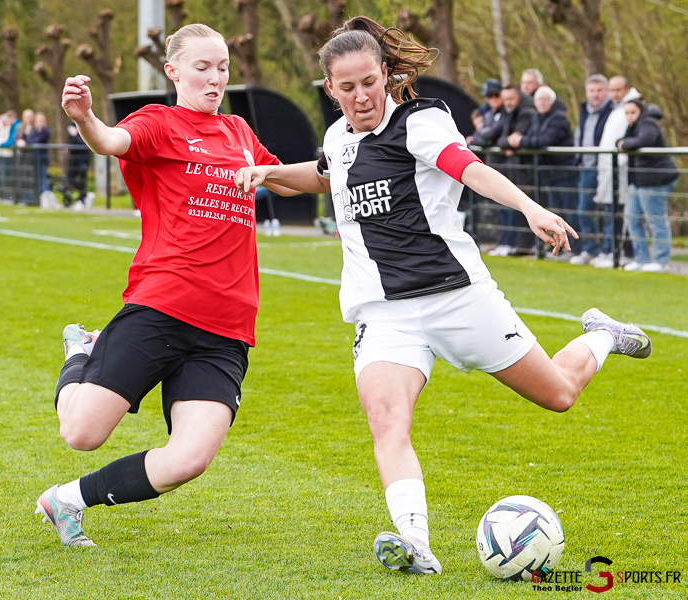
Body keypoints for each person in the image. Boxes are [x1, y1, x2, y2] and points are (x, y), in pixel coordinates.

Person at [234, 16, 653, 575]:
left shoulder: (421, 122)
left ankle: (602, 336)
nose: (360, 96)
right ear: (330, 90)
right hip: (385, 316)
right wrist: (266, 173)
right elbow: (324, 174)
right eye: (347, 87)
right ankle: (416, 544)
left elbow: (469, 168)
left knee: (558, 394)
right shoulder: (339, 137)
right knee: (386, 418)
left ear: (386, 74)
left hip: (456, 298)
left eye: (369, 82)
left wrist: (529, 208)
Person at [35, 23, 291, 548]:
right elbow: (110, 141)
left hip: (227, 325)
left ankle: (65, 501)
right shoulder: (159, 123)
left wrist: (361, 157)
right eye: (203, 67)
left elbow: (292, 177)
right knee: (80, 434)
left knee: (190, 459)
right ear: (173, 71)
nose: (215, 78)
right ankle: (81, 352)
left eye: (222, 67)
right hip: (162, 304)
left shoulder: (241, 133)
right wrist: (84, 117)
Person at [506, 85, 579, 256]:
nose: (542, 103)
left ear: (552, 101)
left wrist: (521, 141)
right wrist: (520, 140)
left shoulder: (558, 118)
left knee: (568, 211)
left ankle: (573, 249)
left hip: (563, 172)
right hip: (548, 174)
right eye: (539, 99)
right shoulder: (537, 118)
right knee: (553, 211)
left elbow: (545, 140)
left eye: (546, 99)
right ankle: (557, 246)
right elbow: (533, 137)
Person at [617, 99, 678, 273]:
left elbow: (645, 140)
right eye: (626, 113)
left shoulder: (648, 122)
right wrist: (622, 143)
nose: (629, 116)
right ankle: (641, 258)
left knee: (656, 220)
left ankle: (661, 260)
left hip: (655, 180)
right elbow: (621, 140)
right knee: (632, 218)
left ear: (640, 111)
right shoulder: (634, 125)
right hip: (639, 181)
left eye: (632, 112)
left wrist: (625, 144)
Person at [595, 75, 642, 268]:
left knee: (622, 214)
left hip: (620, 170)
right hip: (609, 170)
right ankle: (610, 251)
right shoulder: (617, 108)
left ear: (626, 88)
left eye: (618, 89)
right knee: (612, 212)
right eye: (611, 90)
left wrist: (618, 162)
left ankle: (620, 253)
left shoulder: (631, 108)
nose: (614, 93)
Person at [570, 75, 614, 266]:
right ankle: (590, 249)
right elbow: (581, 135)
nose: (595, 95)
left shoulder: (613, 112)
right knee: (584, 210)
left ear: (606, 92)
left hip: (605, 166)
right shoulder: (584, 111)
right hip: (586, 168)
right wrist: (579, 159)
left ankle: (609, 251)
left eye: (599, 90)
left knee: (608, 210)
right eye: (592, 91)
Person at [491, 85, 536, 256]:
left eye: (511, 99)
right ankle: (512, 243)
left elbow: (516, 140)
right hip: (514, 169)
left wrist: (511, 143)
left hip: (526, 170)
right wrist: (508, 143)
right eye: (506, 99)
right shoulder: (508, 113)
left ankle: (524, 245)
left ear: (519, 98)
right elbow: (503, 140)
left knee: (523, 208)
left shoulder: (526, 112)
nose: (508, 103)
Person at [64, 122, 93, 208]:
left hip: (83, 159)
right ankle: (84, 194)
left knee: (82, 179)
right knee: (70, 178)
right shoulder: (71, 127)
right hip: (73, 160)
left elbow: (85, 144)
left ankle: (82, 197)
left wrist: (76, 135)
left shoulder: (84, 128)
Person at [0, 110, 20, 202]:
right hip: (2, 156)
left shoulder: (14, 126)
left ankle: (11, 197)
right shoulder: (5, 128)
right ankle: (6, 196)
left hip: (9, 156)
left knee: (9, 178)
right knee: (3, 178)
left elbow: (11, 141)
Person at [26, 112, 52, 193]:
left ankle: (44, 194)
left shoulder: (46, 131)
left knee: (43, 177)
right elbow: (29, 141)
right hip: (34, 158)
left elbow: (39, 140)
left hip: (43, 158)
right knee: (35, 178)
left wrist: (33, 142)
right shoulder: (33, 130)